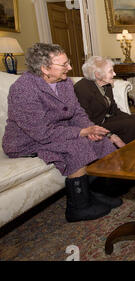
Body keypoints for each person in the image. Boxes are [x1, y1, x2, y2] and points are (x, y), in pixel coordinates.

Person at [2, 43, 123, 223]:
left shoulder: (64, 82)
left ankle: (95, 193)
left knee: (99, 139)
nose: (70, 68)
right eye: (64, 64)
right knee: (77, 144)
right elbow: (41, 132)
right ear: (44, 68)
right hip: (27, 140)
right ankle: (78, 207)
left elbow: (77, 113)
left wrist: (92, 129)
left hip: (57, 131)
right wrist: (81, 132)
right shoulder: (23, 89)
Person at [74, 56, 135, 144]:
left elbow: (113, 108)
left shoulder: (106, 84)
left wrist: (128, 117)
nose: (114, 74)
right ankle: (126, 150)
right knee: (131, 124)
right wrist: (108, 134)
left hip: (107, 119)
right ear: (97, 75)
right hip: (95, 125)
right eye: (111, 71)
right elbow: (84, 120)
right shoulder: (82, 89)